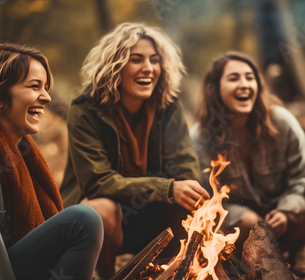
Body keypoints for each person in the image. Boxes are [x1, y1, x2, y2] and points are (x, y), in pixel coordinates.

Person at [0, 43, 103, 280]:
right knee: (83, 221)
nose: (46, 97)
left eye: (46, 88)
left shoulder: (13, 151)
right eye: (35, 86)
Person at [59, 22, 209, 278]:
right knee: (101, 209)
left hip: (152, 213)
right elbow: (97, 182)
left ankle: (174, 272)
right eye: (136, 60)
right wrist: (167, 188)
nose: (148, 68)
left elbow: (186, 168)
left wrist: (181, 188)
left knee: (192, 197)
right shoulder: (85, 109)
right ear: (115, 66)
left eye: (155, 60)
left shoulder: (167, 105)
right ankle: (106, 275)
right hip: (106, 219)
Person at [190, 51, 305, 276]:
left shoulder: (282, 122)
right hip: (240, 228)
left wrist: (287, 211)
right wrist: (244, 218)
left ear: (258, 85)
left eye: (249, 77)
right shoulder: (200, 137)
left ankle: (299, 251)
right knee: (247, 224)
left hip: (285, 219)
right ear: (215, 88)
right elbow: (203, 200)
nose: (244, 84)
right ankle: (249, 262)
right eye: (234, 78)